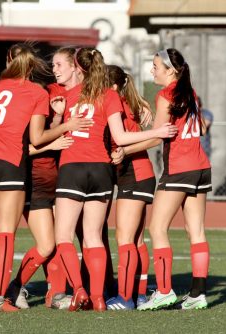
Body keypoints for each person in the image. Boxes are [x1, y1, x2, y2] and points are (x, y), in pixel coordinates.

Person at [0, 43, 93, 312]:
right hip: (10, 164)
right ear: (33, 67)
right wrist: (67, 124)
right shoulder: (38, 93)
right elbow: (36, 138)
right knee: (6, 233)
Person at [52, 47, 177, 312]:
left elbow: (52, 134)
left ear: (78, 68)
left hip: (73, 167)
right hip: (101, 171)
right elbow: (120, 137)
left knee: (64, 236)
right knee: (95, 237)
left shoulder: (69, 95)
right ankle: (99, 298)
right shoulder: (110, 96)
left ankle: (79, 291)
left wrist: (58, 116)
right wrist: (153, 129)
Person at [134, 48, 212, 311]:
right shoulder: (190, 93)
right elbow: (200, 128)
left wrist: (125, 147)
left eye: (156, 65)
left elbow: (158, 137)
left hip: (180, 168)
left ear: (171, 71)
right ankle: (198, 294)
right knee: (196, 231)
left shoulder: (165, 95)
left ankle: (165, 291)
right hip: (201, 166)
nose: (152, 69)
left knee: (157, 228)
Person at [104, 65, 155, 310]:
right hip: (140, 173)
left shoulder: (116, 102)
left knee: (124, 238)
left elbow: (124, 137)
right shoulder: (127, 100)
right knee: (136, 240)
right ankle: (140, 295)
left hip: (134, 173)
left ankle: (125, 298)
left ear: (112, 86)